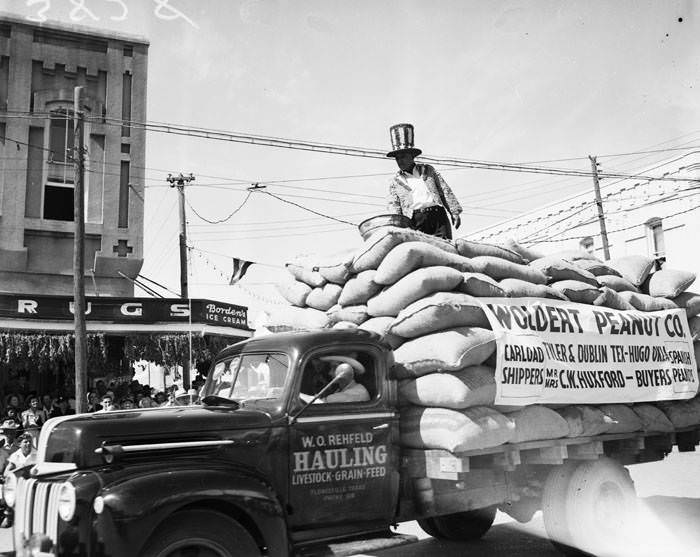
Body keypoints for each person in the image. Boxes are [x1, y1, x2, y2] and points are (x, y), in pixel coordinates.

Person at [385, 123, 462, 239]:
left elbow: (444, 190)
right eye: (397, 158)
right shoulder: (395, 182)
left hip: (438, 217)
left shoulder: (428, 170)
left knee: (445, 250)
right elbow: (394, 207)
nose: (400, 161)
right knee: (422, 253)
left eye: (403, 156)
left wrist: (454, 212)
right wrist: (397, 227)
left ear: (412, 156)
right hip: (415, 222)